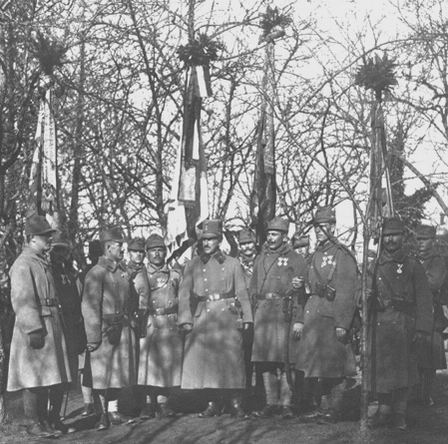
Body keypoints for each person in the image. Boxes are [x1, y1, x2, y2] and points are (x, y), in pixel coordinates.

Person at [178, 219, 253, 418]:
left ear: (219, 240)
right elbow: (184, 294)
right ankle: (212, 403)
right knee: (208, 362)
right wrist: (185, 318)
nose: (207, 243)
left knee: (232, 359)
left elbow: (242, 292)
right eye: (204, 240)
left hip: (226, 315)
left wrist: (247, 318)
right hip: (203, 316)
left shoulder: (233, 263)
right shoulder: (193, 265)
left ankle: (236, 403)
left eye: (211, 239)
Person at [7, 214, 71, 438]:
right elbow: (22, 300)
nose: (49, 240)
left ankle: (43, 421)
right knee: (33, 378)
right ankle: (33, 422)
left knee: (46, 377)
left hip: (50, 322)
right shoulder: (23, 264)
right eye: (45, 236)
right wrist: (33, 329)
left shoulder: (41, 261)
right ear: (32, 238)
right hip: (35, 326)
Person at [295, 206, 358, 421]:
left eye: (323, 227)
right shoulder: (315, 255)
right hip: (314, 316)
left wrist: (343, 323)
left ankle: (335, 409)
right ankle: (323, 408)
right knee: (317, 364)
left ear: (333, 226)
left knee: (335, 366)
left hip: (332, 316)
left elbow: (348, 291)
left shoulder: (343, 255)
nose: (319, 231)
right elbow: (308, 285)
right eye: (316, 228)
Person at [368, 218, 433, 430]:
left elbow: (424, 299)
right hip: (381, 325)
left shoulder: (412, 265)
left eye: (395, 235)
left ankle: (400, 413)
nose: (390, 240)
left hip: (405, 325)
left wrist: (423, 329)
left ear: (403, 237)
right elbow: (361, 297)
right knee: (384, 370)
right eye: (386, 236)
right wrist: (366, 297)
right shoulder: (374, 266)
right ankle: (385, 409)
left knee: (404, 371)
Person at [251, 217, 307, 418]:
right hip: (263, 313)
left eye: (275, 234)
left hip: (285, 313)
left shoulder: (295, 259)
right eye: (269, 234)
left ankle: (286, 404)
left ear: (284, 236)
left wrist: (299, 319)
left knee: (286, 360)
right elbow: (253, 289)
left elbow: (301, 294)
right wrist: (252, 316)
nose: (270, 238)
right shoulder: (261, 258)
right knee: (265, 360)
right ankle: (270, 402)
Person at [82, 227, 136, 430]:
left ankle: (113, 411)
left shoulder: (122, 272)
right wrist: (93, 336)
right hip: (103, 329)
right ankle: (101, 414)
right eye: (119, 246)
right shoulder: (95, 274)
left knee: (115, 372)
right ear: (107, 247)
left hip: (120, 327)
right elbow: (89, 306)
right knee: (100, 373)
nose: (122, 249)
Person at [137, 234, 182, 419]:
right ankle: (148, 403)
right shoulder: (140, 275)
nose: (157, 253)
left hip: (168, 323)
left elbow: (183, 297)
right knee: (148, 365)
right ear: (147, 253)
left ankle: (163, 402)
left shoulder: (174, 274)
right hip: (148, 322)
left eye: (160, 250)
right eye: (152, 250)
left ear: (165, 252)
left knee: (165, 364)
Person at [49, 232, 86, 432]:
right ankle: (50, 418)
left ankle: (56, 417)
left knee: (67, 374)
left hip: (72, 325)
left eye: (64, 250)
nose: (61, 254)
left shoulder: (70, 272)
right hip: (58, 326)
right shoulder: (49, 271)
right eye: (58, 250)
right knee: (55, 373)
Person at [415, 224, 447, 405]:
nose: (420, 243)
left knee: (429, 358)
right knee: (416, 356)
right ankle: (416, 394)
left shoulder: (438, 261)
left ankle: (426, 395)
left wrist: (412, 281)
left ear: (433, 241)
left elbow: (433, 283)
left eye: (424, 240)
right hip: (414, 314)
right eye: (418, 239)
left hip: (432, 315)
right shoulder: (413, 260)